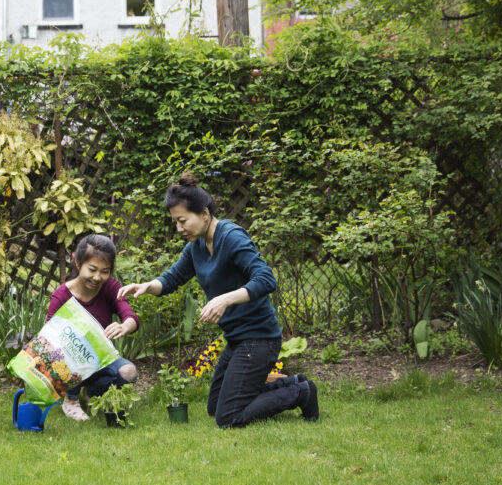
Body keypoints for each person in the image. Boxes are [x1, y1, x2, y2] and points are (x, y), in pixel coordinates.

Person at [119, 173, 318, 428]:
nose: (179, 228)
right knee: (215, 407)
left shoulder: (231, 237)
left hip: (259, 338)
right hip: (237, 340)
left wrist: (225, 299)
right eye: (175, 222)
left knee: (229, 417)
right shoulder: (197, 246)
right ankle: (292, 383)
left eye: (182, 220)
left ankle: (302, 393)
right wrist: (147, 286)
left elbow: (266, 279)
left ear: (203, 213)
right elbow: (172, 278)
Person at [47, 234, 140, 421]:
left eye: (105, 271)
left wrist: (124, 327)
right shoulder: (62, 295)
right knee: (69, 350)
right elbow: (48, 338)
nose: (98, 277)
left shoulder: (111, 287)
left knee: (129, 372)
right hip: (69, 363)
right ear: (77, 262)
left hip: (99, 361)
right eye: (92, 269)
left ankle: (94, 392)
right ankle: (71, 399)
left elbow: (130, 317)